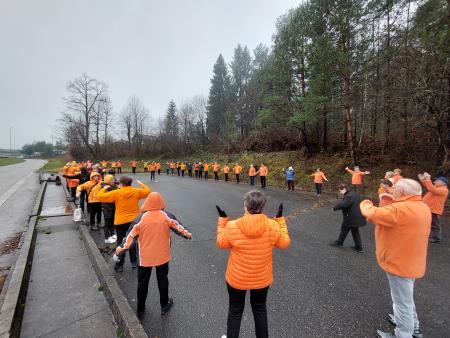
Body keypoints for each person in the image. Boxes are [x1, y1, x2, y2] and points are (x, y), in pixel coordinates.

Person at [360, 179, 430, 338]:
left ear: (401, 193)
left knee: (402, 302)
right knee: (406, 298)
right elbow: (392, 218)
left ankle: (403, 334)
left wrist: (366, 202)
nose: (393, 191)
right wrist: (389, 200)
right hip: (412, 261)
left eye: (395, 190)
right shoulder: (422, 206)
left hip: (398, 263)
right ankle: (414, 327)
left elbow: (372, 214)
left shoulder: (399, 209)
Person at [216, 190, 291, 338]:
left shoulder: (232, 226)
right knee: (260, 309)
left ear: (245, 206)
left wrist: (222, 222)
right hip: (262, 278)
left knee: (235, 311)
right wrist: (281, 221)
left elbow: (221, 243)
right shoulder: (272, 225)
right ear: (262, 207)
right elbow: (284, 243)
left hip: (237, 278)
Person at [116, 192, 192, 319]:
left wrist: (120, 249)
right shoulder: (167, 215)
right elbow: (179, 228)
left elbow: (130, 238)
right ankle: (164, 305)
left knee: (142, 283)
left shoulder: (140, 219)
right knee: (163, 280)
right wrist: (188, 235)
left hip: (144, 258)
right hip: (162, 256)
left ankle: (140, 310)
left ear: (147, 203)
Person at [98, 176, 151, 272]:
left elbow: (100, 196)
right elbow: (148, 191)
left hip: (120, 221)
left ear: (121, 184)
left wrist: (104, 188)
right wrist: (140, 183)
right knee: (133, 240)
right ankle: (134, 262)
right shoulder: (136, 192)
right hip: (134, 220)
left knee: (121, 242)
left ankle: (120, 264)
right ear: (130, 183)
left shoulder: (116, 193)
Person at [330, 183, 366, 253]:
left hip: (351, 217)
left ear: (344, 189)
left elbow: (343, 205)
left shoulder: (349, 196)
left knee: (344, 229)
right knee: (355, 232)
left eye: (340, 190)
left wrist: (334, 208)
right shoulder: (353, 193)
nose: (340, 192)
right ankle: (359, 247)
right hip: (357, 216)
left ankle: (339, 243)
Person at [418, 173, 449, 243]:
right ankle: (431, 235)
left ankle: (436, 238)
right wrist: (423, 179)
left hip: (434, 210)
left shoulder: (444, 190)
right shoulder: (436, 187)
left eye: (437, 181)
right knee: (429, 223)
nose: (435, 182)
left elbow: (432, 189)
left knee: (435, 224)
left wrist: (428, 179)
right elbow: (428, 186)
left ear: (443, 183)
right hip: (429, 209)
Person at [101, 174, 118, 244]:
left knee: (112, 221)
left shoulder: (114, 186)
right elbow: (110, 194)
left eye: (113, 180)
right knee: (107, 222)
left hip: (113, 206)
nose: (113, 181)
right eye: (111, 180)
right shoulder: (105, 187)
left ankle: (112, 234)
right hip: (107, 207)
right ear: (107, 180)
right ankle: (107, 238)